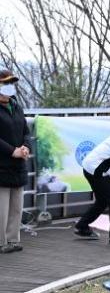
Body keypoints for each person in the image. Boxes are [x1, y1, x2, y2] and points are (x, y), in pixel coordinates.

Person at [0, 70, 31, 254]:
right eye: (4, 84)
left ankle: (13, 239)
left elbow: (26, 131)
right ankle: (1, 242)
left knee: (16, 207)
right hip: (2, 165)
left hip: (18, 165)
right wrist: (12, 151)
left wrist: (26, 147)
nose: (8, 88)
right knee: (1, 209)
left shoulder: (17, 106)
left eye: (10, 84)